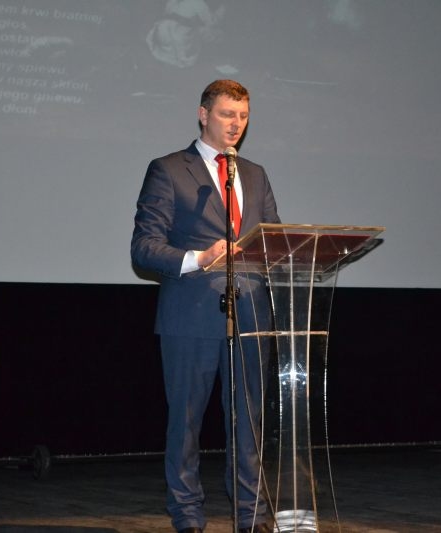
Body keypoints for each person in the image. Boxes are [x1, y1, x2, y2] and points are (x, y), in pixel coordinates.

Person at [131, 79, 279, 533]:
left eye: (243, 116)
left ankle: (251, 515)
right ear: (203, 114)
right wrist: (199, 257)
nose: (236, 124)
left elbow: (273, 241)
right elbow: (144, 248)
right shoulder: (169, 170)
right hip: (190, 315)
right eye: (226, 114)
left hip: (251, 315)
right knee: (187, 423)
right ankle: (188, 516)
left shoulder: (255, 174)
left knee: (250, 423)